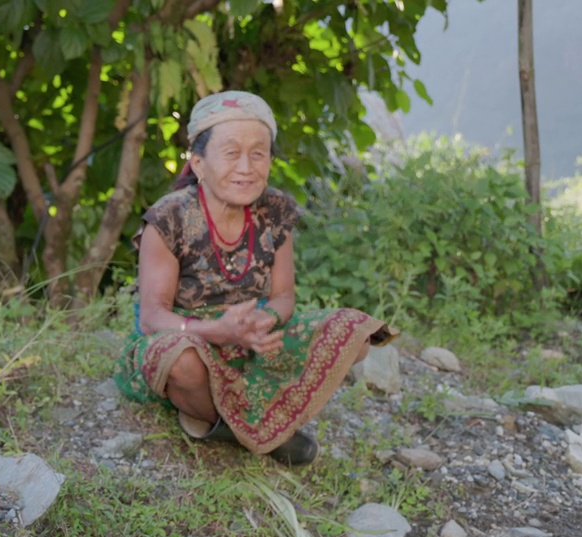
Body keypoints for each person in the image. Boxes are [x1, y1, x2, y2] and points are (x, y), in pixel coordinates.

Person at [116, 91, 395, 465]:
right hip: (189, 339)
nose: (246, 167)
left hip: (249, 341)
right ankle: (248, 431)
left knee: (354, 332)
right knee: (179, 360)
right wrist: (221, 331)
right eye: (231, 153)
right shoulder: (167, 219)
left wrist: (265, 320)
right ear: (198, 163)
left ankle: (230, 419)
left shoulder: (276, 210)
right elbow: (152, 318)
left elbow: (283, 297)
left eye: (258, 153)